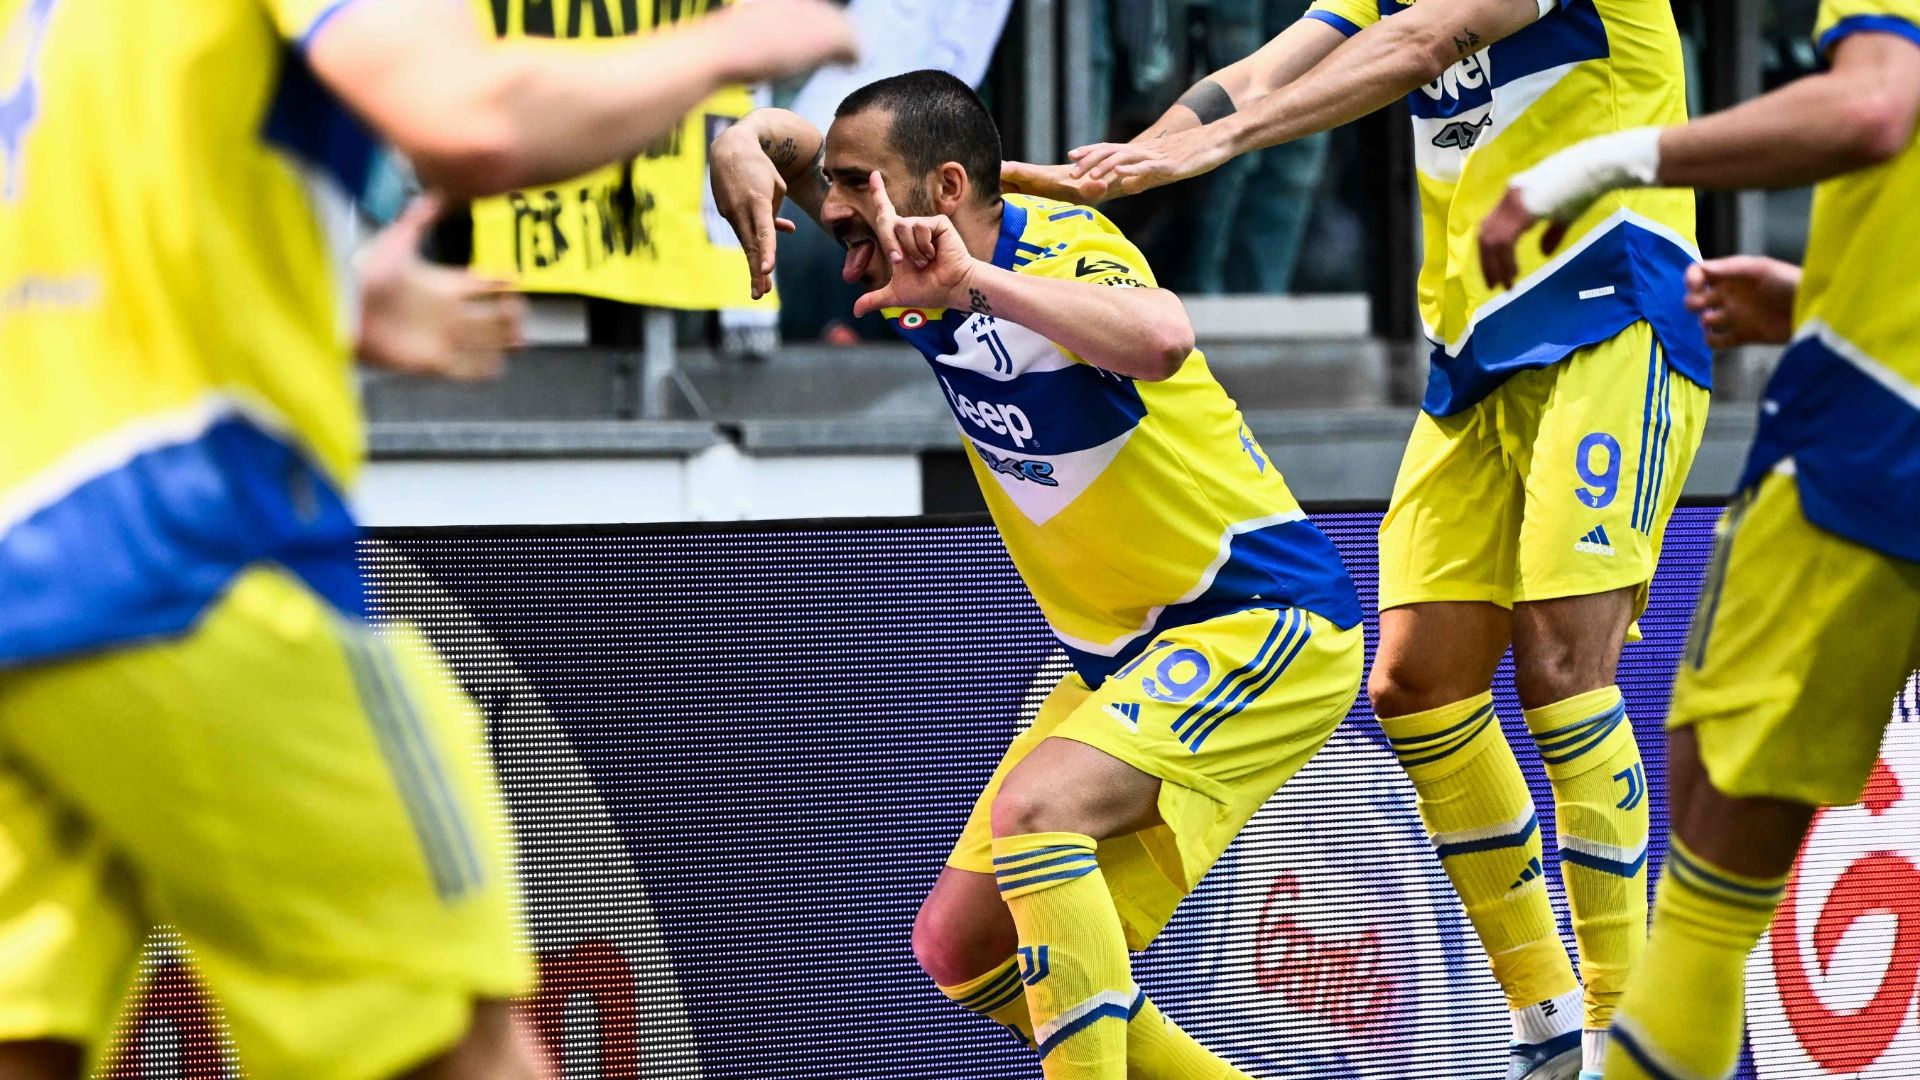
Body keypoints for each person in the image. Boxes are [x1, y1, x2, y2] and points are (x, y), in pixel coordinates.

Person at [0, 0, 855, 1075]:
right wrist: (736, 45)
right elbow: (471, 119)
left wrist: (331, 299)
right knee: (467, 1049)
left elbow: (97, 265)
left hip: (18, 570)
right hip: (186, 560)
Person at [1003, 2, 1712, 1077]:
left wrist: (1220, 144)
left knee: (1564, 663)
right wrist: (1135, 157)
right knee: (1418, 683)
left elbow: (1419, 47)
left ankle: (1627, 1035)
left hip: (1615, 310)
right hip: (1478, 348)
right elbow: (1266, 67)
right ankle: (1547, 1024)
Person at [710, 70, 1365, 1079]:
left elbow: (1162, 338)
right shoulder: (889, 243)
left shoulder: (1060, 248)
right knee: (963, 948)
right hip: (1122, 655)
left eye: (856, 184)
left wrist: (973, 284)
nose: (832, 206)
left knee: (1036, 812)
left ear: (948, 187)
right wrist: (739, 140)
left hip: (1256, 618)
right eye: (831, 187)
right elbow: (788, 141)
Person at [1476, 3, 1920, 1076]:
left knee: (1717, 838)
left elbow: (1871, 111)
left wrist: (1595, 164)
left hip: (1874, 433)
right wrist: (1821, 295)